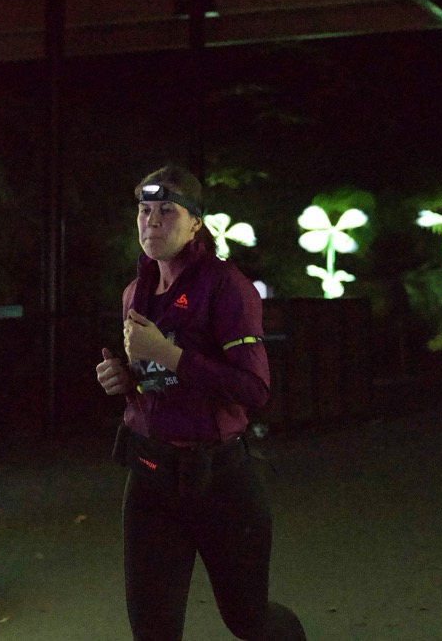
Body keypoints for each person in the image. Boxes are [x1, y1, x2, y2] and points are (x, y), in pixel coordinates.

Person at [96, 165, 307, 641]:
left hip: (220, 480)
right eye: (144, 210)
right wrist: (123, 379)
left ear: (196, 223)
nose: (151, 221)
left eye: (167, 211)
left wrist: (169, 354)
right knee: (153, 631)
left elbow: (255, 390)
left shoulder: (226, 285)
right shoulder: (135, 292)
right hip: (151, 477)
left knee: (249, 620)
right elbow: (152, 382)